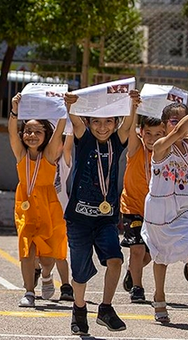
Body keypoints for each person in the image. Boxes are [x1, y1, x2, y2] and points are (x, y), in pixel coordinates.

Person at [63, 89, 140, 335]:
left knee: (116, 261)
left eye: (108, 121)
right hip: (78, 219)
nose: (103, 127)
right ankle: (79, 309)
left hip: (106, 218)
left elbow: (128, 125)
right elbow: (75, 120)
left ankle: (105, 308)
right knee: (80, 274)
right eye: (97, 121)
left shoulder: (117, 143)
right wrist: (71, 105)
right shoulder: (84, 139)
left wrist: (133, 104)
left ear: (115, 123)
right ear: (89, 123)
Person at [141, 92, 188, 323]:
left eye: (185, 118)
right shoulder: (160, 146)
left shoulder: (186, 144)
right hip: (162, 208)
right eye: (175, 119)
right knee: (161, 256)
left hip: (186, 205)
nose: (181, 124)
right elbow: (180, 131)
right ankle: (159, 297)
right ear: (164, 125)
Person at [8, 93, 67, 307]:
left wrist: (64, 110)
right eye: (28, 131)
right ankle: (29, 292)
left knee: (47, 256)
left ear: (45, 135)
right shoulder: (21, 155)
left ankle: (46, 275)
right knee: (27, 248)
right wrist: (15, 110)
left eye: (37, 132)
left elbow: (60, 131)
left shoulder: (49, 154)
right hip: (25, 203)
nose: (31, 135)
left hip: (47, 203)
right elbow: (11, 133)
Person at [119, 115, 165, 303]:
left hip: (154, 210)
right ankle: (137, 288)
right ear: (141, 133)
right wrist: (133, 107)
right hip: (132, 206)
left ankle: (132, 271)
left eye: (158, 134)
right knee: (137, 249)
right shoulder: (136, 147)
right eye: (148, 134)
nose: (152, 139)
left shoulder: (165, 151)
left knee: (149, 255)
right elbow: (129, 127)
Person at [52, 133, 75, 301]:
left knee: (60, 252)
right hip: (41, 211)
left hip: (60, 212)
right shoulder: (39, 159)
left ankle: (66, 285)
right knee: (38, 251)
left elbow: (68, 144)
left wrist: (68, 117)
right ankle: (39, 272)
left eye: (57, 142)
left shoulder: (62, 163)